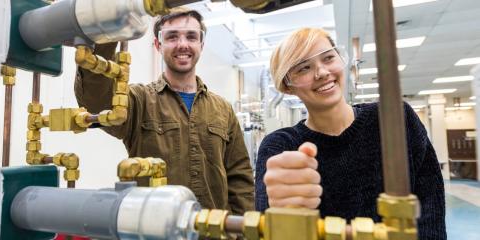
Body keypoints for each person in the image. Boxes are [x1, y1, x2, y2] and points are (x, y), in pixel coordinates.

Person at [255, 28, 446, 239]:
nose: (322, 72)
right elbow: (270, 227)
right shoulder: (281, 147)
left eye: (328, 58)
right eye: (304, 68)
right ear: (287, 86)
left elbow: (430, 204)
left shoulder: (394, 118)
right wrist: (281, 207)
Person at [74, 8, 254, 214]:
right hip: (153, 231)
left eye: (191, 36)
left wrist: (238, 230)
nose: (183, 44)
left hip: (214, 233)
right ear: (158, 44)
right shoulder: (139, 100)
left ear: (201, 44)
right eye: (172, 37)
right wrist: (109, 27)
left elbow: (240, 177)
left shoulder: (223, 109)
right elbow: (96, 101)